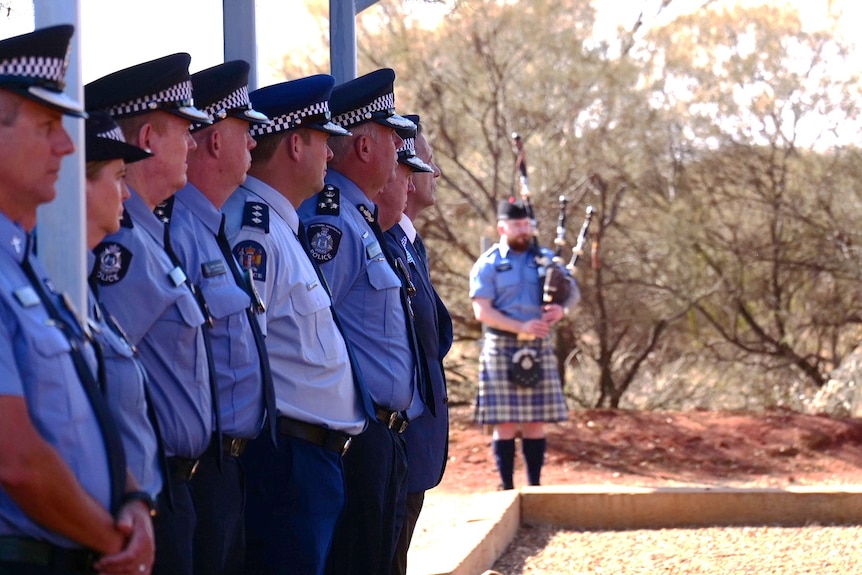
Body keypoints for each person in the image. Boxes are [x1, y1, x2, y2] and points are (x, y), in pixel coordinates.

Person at [0, 25, 155, 575]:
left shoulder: (27, 267)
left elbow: (86, 412)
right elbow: (16, 460)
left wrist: (132, 501)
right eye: (47, 126)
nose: (67, 145)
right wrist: (115, 540)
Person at [223, 73, 372, 575]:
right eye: (323, 141)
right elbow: (244, 352)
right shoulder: (256, 232)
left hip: (311, 462)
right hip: (287, 463)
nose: (331, 155)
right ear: (294, 144)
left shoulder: (282, 226)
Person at [85, 53, 215, 575]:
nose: (192, 143)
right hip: (148, 489)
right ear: (145, 139)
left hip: (181, 485)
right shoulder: (120, 249)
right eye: (182, 130)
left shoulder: (153, 237)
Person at [297, 68, 424, 575]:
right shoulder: (331, 223)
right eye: (393, 137)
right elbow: (316, 325)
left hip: (383, 438)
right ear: (366, 147)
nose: (400, 150)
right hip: (359, 437)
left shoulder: (361, 220)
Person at [163, 60, 272, 575]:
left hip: (231, 466)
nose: (254, 141)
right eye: (244, 129)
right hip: (199, 469)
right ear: (210, 140)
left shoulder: (210, 227)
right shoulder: (178, 231)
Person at [383, 116, 454, 575]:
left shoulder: (409, 244)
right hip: (398, 443)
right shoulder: (385, 242)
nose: (436, 174)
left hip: (415, 447)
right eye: (427, 164)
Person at [469, 199, 579, 490]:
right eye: (517, 225)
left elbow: (572, 290)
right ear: (502, 227)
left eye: (527, 225)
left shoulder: (545, 260)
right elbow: (482, 311)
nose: (523, 230)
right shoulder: (489, 264)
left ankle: (534, 487)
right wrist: (522, 326)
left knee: (535, 422)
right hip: (501, 345)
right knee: (504, 424)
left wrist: (562, 310)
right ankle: (506, 487)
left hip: (538, 347)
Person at [84, 111, 163, 505]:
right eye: (118, 177)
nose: (127, 193)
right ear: (79, 184)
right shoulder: (62, 283)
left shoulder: (80, 285)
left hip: (137, 503)